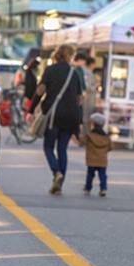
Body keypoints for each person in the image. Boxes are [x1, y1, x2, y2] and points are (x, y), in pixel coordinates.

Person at [36, 44, 84, 194]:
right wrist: (80, 121)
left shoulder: (50, 70)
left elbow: (40, 91)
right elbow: (79, 99)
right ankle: (59, 185)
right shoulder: (74, 73)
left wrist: (31, 110)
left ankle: (56, 173)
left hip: (54, 116)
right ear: (70, 56)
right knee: (62, 149)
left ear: (57, 55)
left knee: (48, 147)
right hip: (71, 117)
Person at [83, 112, 110, 197]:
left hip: (91, 160)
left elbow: (82, 141)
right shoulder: (106, 137)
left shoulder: (89, 136)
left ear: (93, 124)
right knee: (103, 175)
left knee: (90, 175)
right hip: (102, 160)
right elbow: (111, 147)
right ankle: (103, 189)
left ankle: (88, 188)